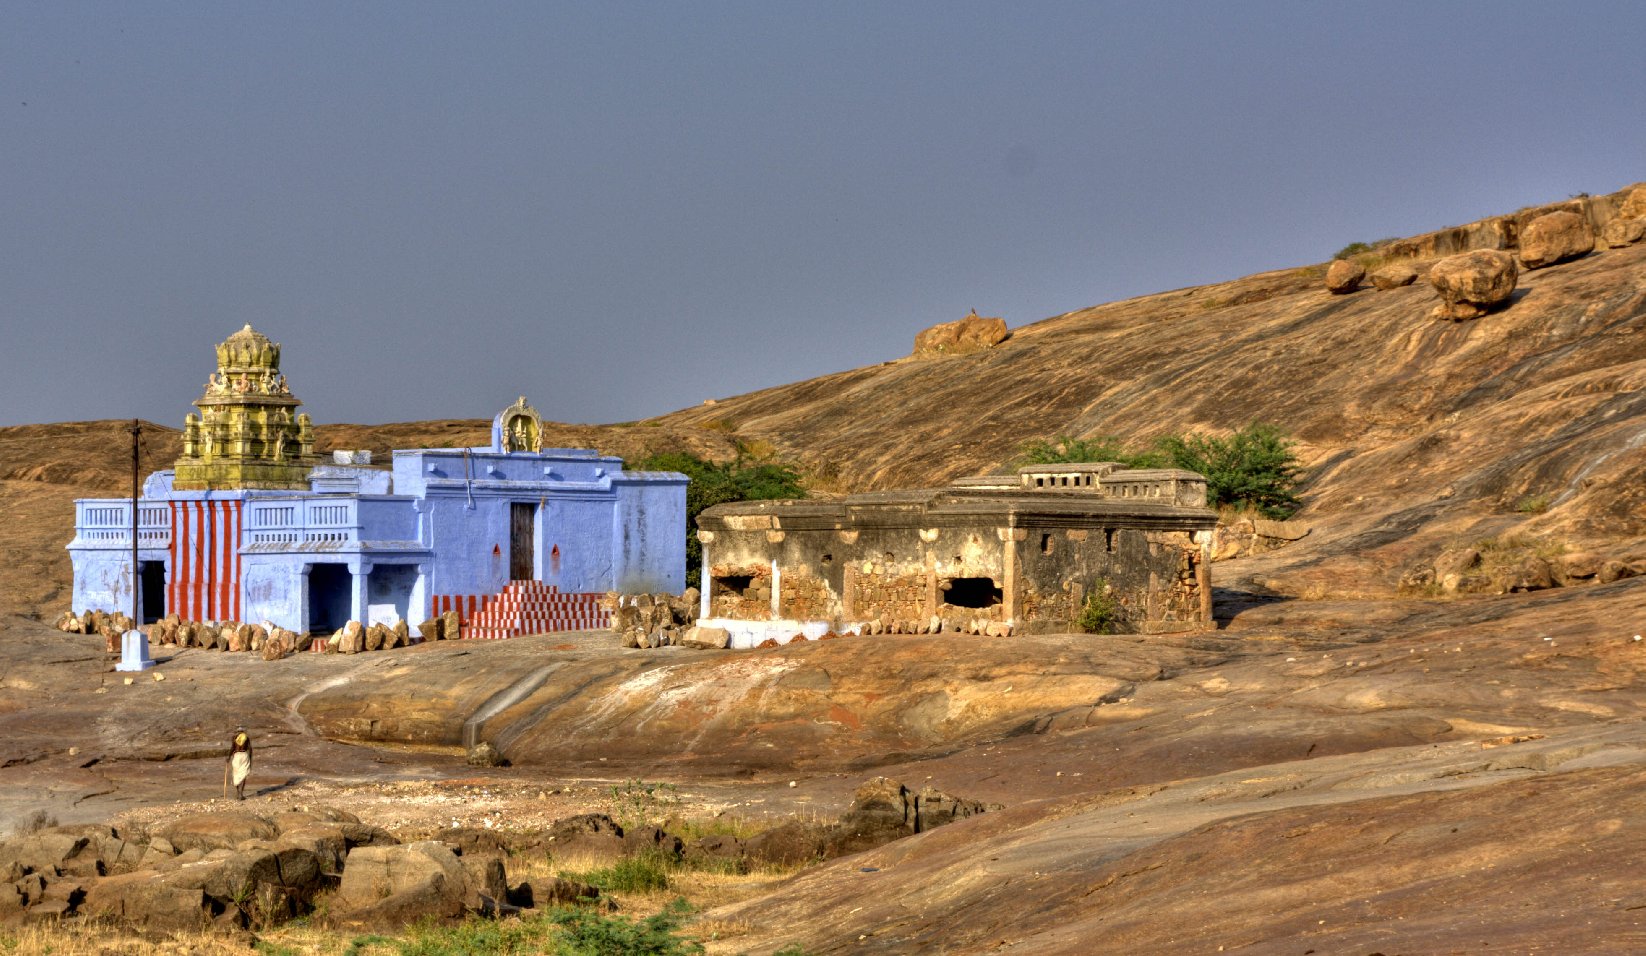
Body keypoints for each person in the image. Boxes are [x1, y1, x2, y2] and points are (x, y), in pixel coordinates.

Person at [227, 728, 252, 801]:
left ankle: (239, 793)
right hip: (244, 755)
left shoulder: (234, 738)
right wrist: (250, 759)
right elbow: (250, 749)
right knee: (243, 774)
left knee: (236, 774)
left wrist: (228, 757)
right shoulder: (246, 738)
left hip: (237, 756)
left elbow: (232, 748)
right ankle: (240, 793)